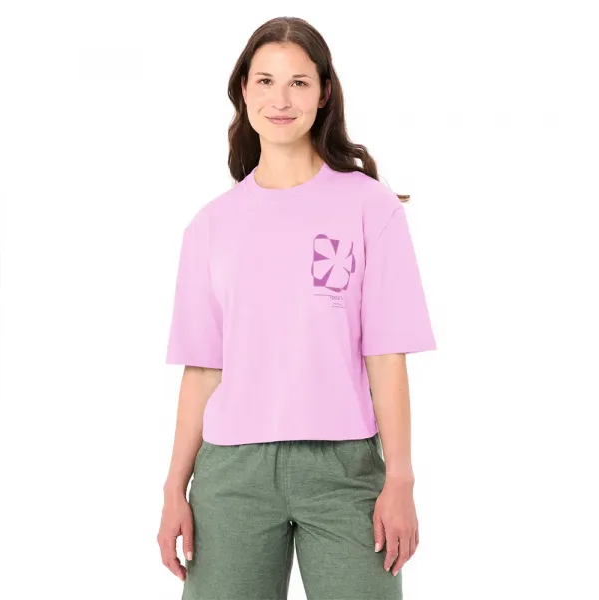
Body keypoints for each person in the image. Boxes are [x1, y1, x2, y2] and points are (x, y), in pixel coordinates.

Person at [157, 16, 437, 600]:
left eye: (299, 83)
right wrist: (173, 490)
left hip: (344, 472)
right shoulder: (210, 226)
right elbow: (203, 370)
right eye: (265, 81)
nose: (280, 100)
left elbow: (386, 357)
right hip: (231, 476)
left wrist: (401, 479)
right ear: (243, 90)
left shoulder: (371, 208)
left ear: (324, 92)